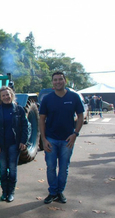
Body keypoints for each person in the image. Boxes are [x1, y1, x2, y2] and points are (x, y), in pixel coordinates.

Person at [39, 71, 84, 204]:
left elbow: (80, 116)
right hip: (51, 139)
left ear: (65, 81)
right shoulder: (47, 99)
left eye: (60, 79)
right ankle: (52, 192)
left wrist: (75, 134)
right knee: (51, 167)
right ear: (52, 82)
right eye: (55, 80)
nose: (58, 82)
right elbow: (42, 119)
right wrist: (44, 139)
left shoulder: (74, 97)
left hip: (67, 140)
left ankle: (60, 192)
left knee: (64, 168)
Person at [0, 86, 29, 202]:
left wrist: (23, 141)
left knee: (12, 169)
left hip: (14, 144)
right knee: (2, 169)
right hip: (1, 145)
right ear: (0, 98)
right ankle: (4, 191)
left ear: (11, 95)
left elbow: (25, 126)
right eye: (3, 95)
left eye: (8, 94)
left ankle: (11, 192)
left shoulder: (19, 109)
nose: (6, 97)